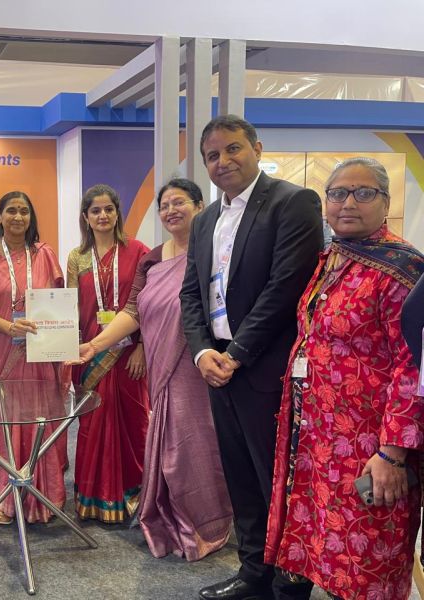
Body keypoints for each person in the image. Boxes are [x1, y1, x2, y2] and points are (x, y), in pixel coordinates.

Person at [265, 157, 424, 600]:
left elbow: (413, 367)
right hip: (318, 438)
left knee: (366, 556)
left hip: (368, 446)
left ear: (386, 202)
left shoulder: (403, 270)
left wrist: (392, 453)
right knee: (323, 549)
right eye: (337, 193)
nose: (348, 203)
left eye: (363, 192)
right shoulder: (334, 257)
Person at [179, 115, 323, 600]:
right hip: (217, 367)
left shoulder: (292, 202)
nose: (223, 161)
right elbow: (191, 294)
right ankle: (254, 572)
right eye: (212, 155)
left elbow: (286, 287)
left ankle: (289, 583)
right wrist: (203, 351)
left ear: (257, 149)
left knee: (277, 480)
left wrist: (237, 353)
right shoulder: (205, 220)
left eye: (233, 149)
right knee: (239, 475)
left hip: (267, 367)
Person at [77, 178, 232, 559]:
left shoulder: (217, 252)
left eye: (180, 202)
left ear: (200, 207)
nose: (171, 211)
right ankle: (167, 514)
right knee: (167, 445)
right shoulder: (154, 258)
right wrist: (95, 344)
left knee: (197, 446)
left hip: (202, 366)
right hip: (164, 367)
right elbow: (133, 311)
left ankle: (206, 523)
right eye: (164, 205)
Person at [0, 191, 67, 525]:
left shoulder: (44, 253)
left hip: (40, 349)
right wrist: (9, 327)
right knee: (7, 420)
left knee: (42, 418)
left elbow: (58, 300)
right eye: (11, 210)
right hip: (1, 347)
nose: (18, 217)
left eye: (24, 211)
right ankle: (8, 497)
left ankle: (45, 496)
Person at [66, 184, 149, 523]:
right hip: (90, 353)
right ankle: (93, 497)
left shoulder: (138, 251)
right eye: (95, 210)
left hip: (129, 353)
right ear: (85, 217)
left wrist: (141, 346)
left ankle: (133, 494)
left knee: (133, 423)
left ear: (117, 213)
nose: (103, 215)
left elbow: (146, 304)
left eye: (108, 209)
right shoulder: (77, 257)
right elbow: (70, 308)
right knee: (92, 423)